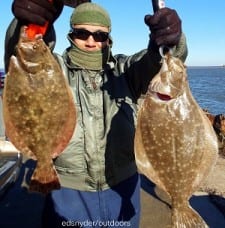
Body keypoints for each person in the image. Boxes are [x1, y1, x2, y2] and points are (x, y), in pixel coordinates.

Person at [5, 0, 187, 227]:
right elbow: (23, 55)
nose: (91, 41)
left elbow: (159, 61)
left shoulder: (125, 71)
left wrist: (171, 39)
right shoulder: (54, 68)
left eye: (100, 35)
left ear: (109, 38)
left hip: (123, 187)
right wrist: (30, 23)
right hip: (69, 192)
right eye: (82, 33)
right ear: (71, 35)